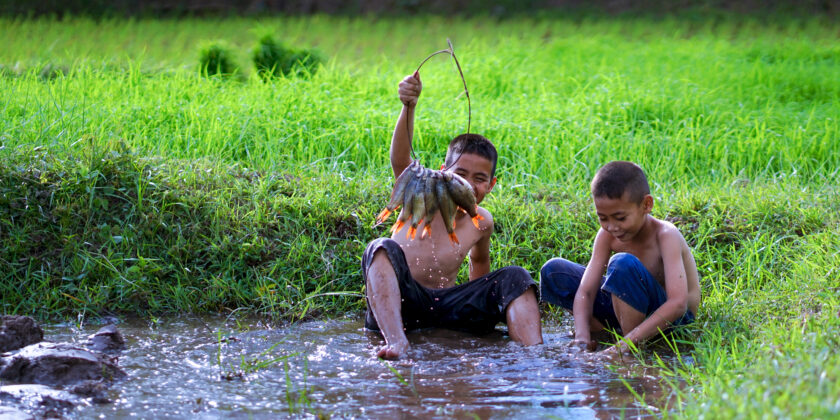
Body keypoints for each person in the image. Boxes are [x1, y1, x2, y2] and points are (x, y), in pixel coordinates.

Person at [363, 72, 543, 359]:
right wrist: (409, 106)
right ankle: (396, 341)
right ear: (441, 172)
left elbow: (479, 268)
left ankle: (534, 355)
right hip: (404, 304)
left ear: (491, 185)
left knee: (515, 277)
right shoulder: (423, 195)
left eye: (479, 178)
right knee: (380, 247)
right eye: (460, 174)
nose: (468, 184)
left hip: (447, 307)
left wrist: (480, 305)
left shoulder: (481, 221)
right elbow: (400, 160)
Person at [540, 161, 700, 356]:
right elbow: (586, 291)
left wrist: (621, 348)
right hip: (627, 308)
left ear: (646, 205)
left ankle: (629, 348)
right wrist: (581, 339)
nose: (612, 227)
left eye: (620, 218)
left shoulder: (666, 235)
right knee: (554, 271)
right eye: (603, 218)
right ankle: (603, 335)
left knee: (622, 263)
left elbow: (678, 304)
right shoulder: (606, 235)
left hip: (671, 321)